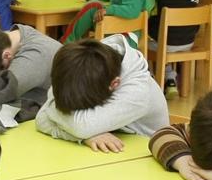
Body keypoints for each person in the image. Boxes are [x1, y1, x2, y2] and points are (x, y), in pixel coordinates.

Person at [36, 36, 169, 151]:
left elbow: (80, 127)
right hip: (102, 156)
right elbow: (41, 119)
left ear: (114, 84)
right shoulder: (80, 67)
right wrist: (86, 137)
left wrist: (83, 133)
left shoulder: (138, 91)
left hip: (143, 160)